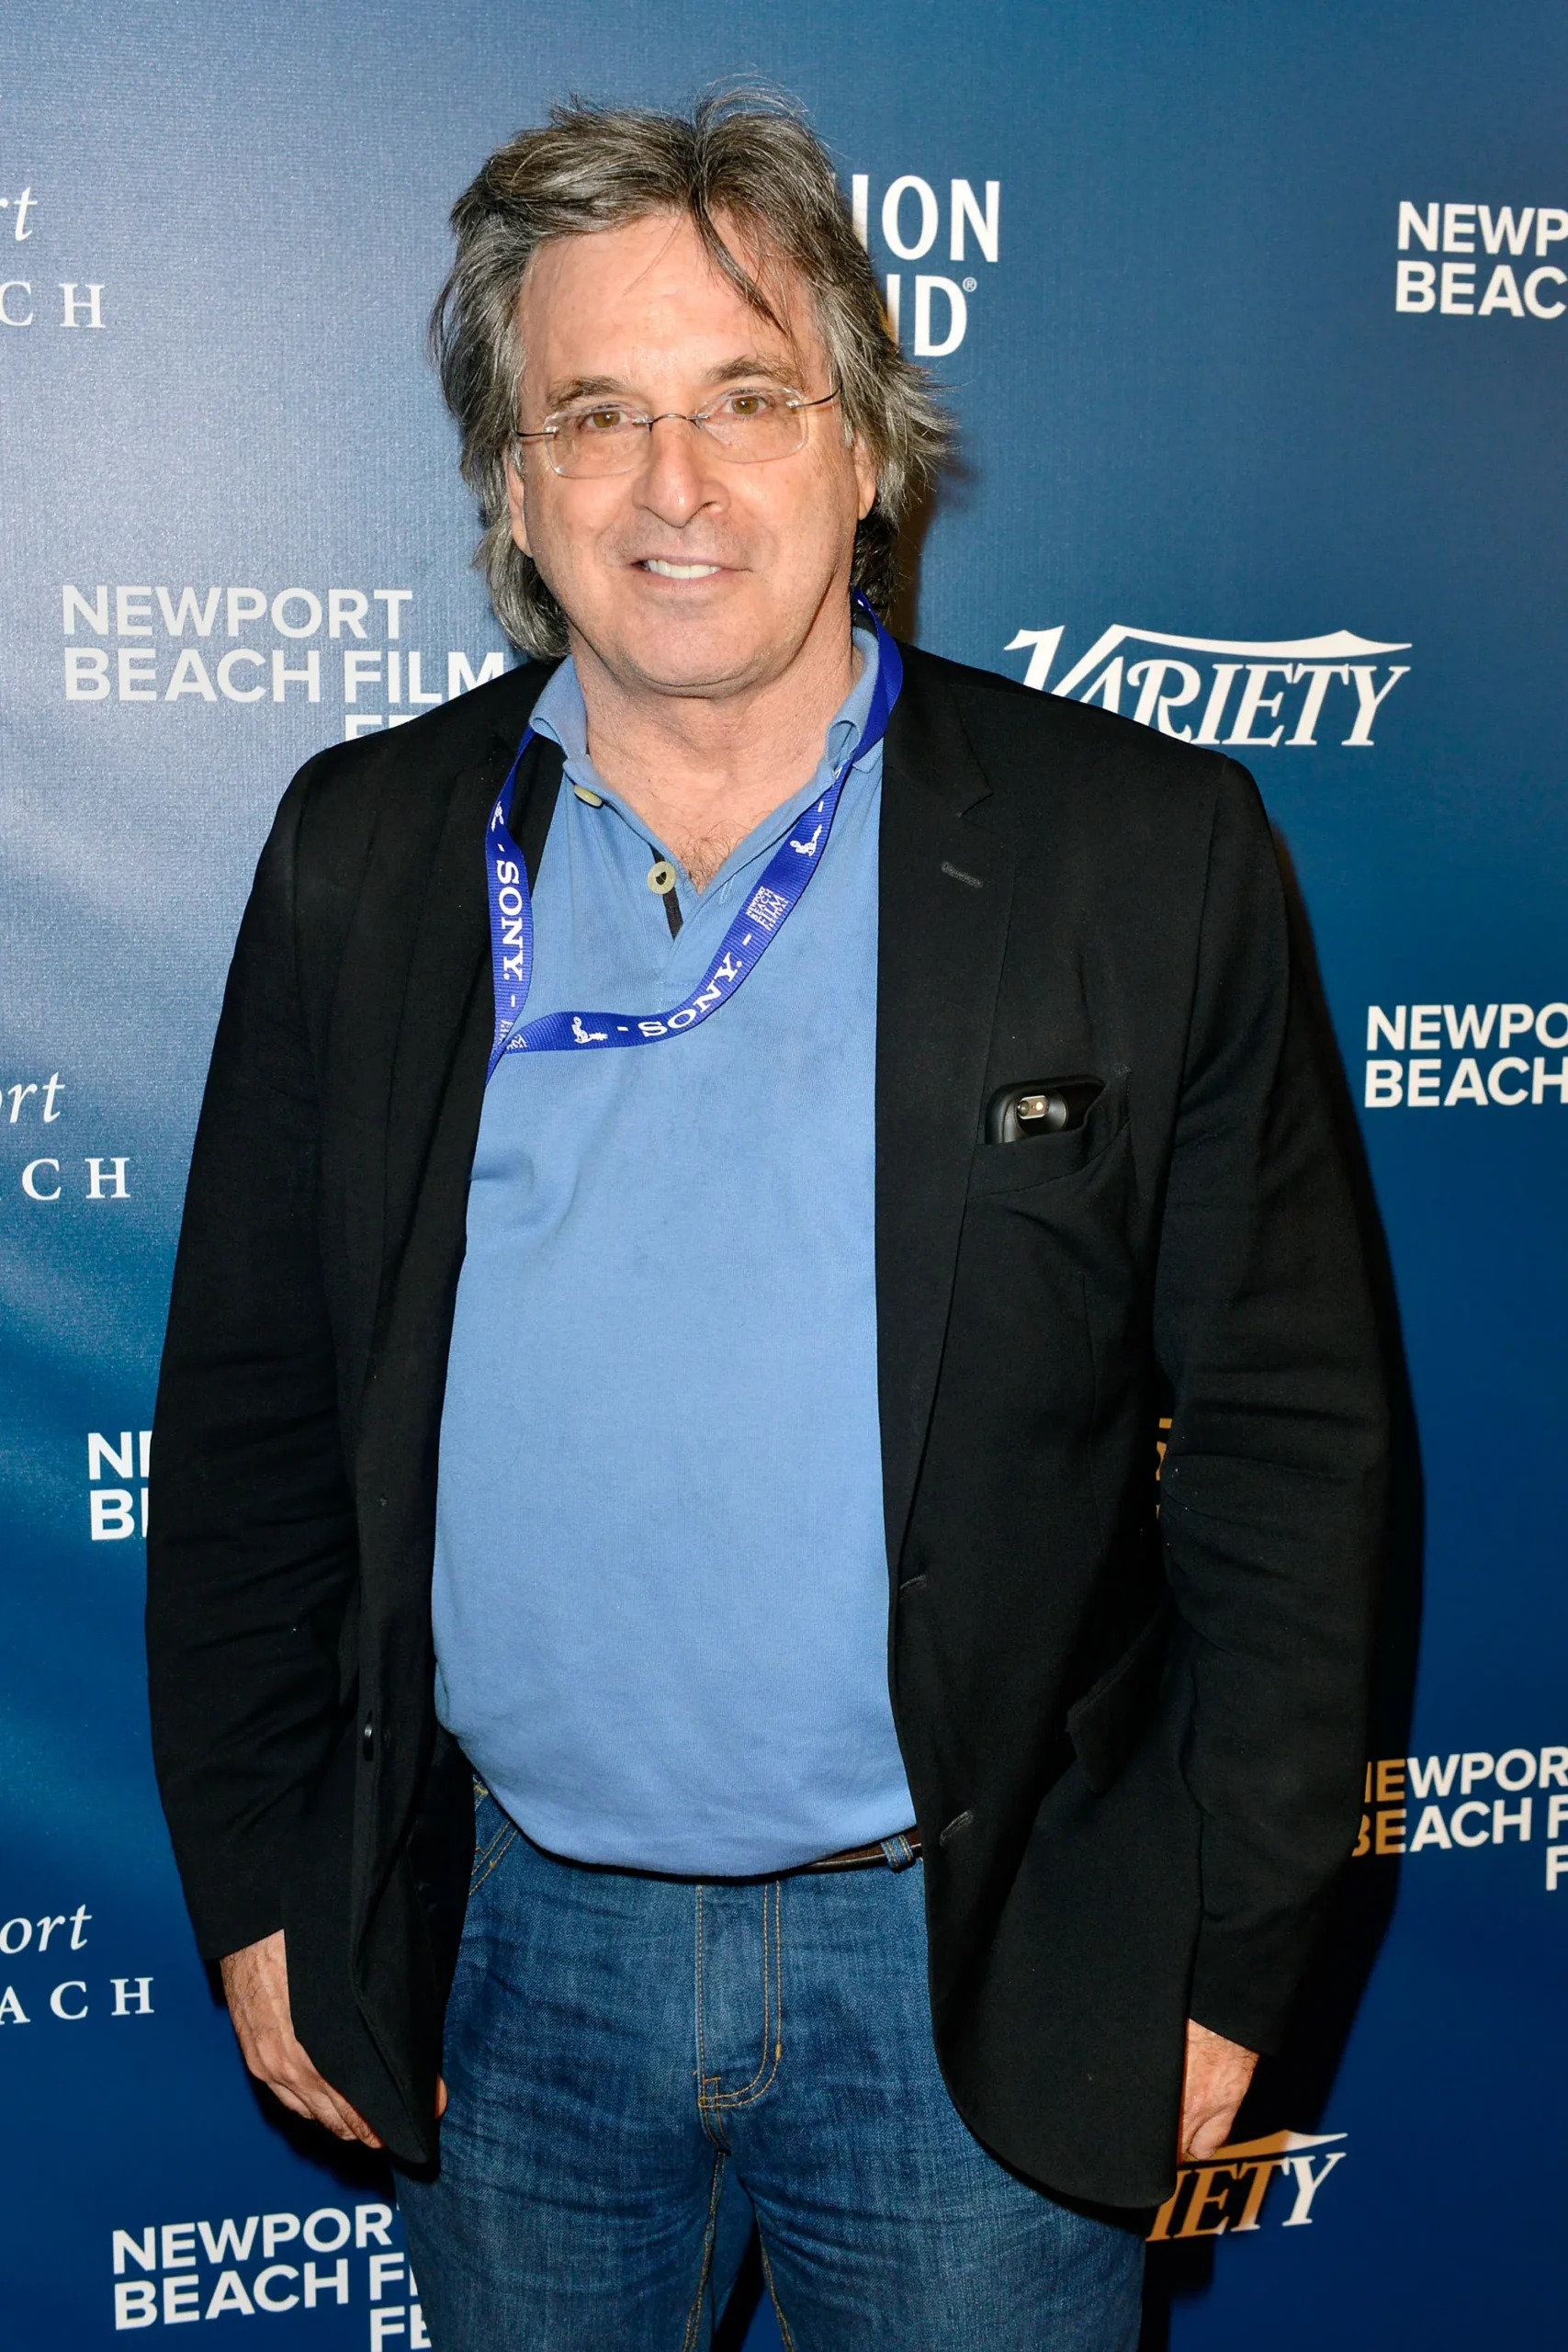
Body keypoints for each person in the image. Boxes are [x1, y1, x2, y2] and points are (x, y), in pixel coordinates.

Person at [146, 92, 1387, 2352]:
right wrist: (261, 1884)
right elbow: (244, 1426)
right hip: (508, 1963)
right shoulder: (367, 853)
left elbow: (1300, 1454)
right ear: (514, 488)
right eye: (594, 416)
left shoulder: (1148, 853)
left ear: (866, 445)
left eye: (744, 400)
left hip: (978, 1971)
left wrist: (1219, 1956)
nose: (675, 486)